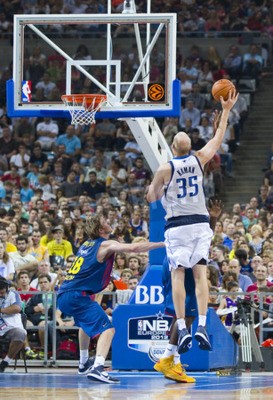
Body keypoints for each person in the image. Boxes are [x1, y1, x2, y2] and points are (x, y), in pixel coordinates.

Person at [147, 89, 238, 354]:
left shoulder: (165, 168)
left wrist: (155, 190)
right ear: (190, 147)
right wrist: (227, 110)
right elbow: (218, 139)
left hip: (178, 226)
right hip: (200, 224)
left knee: (178, 274)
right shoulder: (199, 159)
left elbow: (152, 196)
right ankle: (200, 325)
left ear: (173, 148)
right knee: (200, 275)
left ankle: (181, 327)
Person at [57, 213, 164, 384]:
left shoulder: (86, 244)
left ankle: (84, 363)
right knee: (109, 329)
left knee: (85, 324)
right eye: (105, 221)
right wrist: (162, 244)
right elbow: (133, 249)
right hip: (77, 294)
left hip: (65, 294)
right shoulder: (105, 244)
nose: (109, 222)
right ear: (101, 229)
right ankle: (98, 368)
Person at [0, 277, 27, 372]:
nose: (1, 294)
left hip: (11, 327)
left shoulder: (13, 294)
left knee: (20, 334)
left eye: (3, 292)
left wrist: (1, 310)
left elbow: (17, 308)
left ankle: (5, 362)